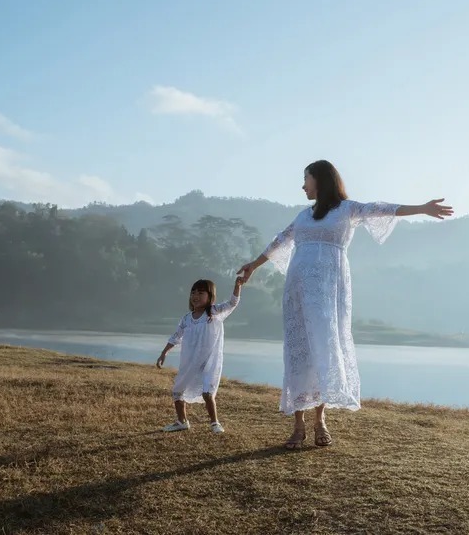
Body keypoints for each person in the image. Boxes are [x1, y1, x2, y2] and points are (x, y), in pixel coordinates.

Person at [237, 160, 452, 449]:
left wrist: (421, 208)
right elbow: (280, 240)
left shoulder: (347, 210)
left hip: (328, 290)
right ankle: (298, 425)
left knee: (325, 348)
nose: (303, 186)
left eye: (306, 179)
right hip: (297, 290)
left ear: (321, 180)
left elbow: (384, 208)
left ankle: (320, 420)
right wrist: (254, 265)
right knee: (299, 350)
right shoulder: (302, 216)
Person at [156, 276, 243, 434]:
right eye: (193, 292)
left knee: (207, 392)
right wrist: (164, 352)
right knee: (177, 390)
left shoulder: (214, 313)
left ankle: (215, 423)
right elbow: (176, 336)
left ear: (210, 296)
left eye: (201, 293)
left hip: (209, 360)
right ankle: (182, 421)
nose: (196, 296)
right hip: (190, 361)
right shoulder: (187, 319)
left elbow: (232, 303)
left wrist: (237, 286)